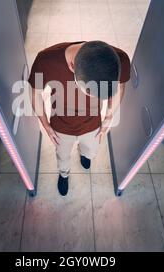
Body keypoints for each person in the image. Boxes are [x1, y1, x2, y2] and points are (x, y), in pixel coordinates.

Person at [29, 41, 130, 196]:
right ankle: (64, 174)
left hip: (93, 125)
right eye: (91, 93)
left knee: (91, 150)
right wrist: (46, 125)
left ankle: (84, 153)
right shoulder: (45, 61)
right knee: (62, 155)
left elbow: (120, 87)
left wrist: (108, 118)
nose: (96, 98)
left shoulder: (120, 59)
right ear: (72, 66)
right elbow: (35, 93)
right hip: (61, 126)